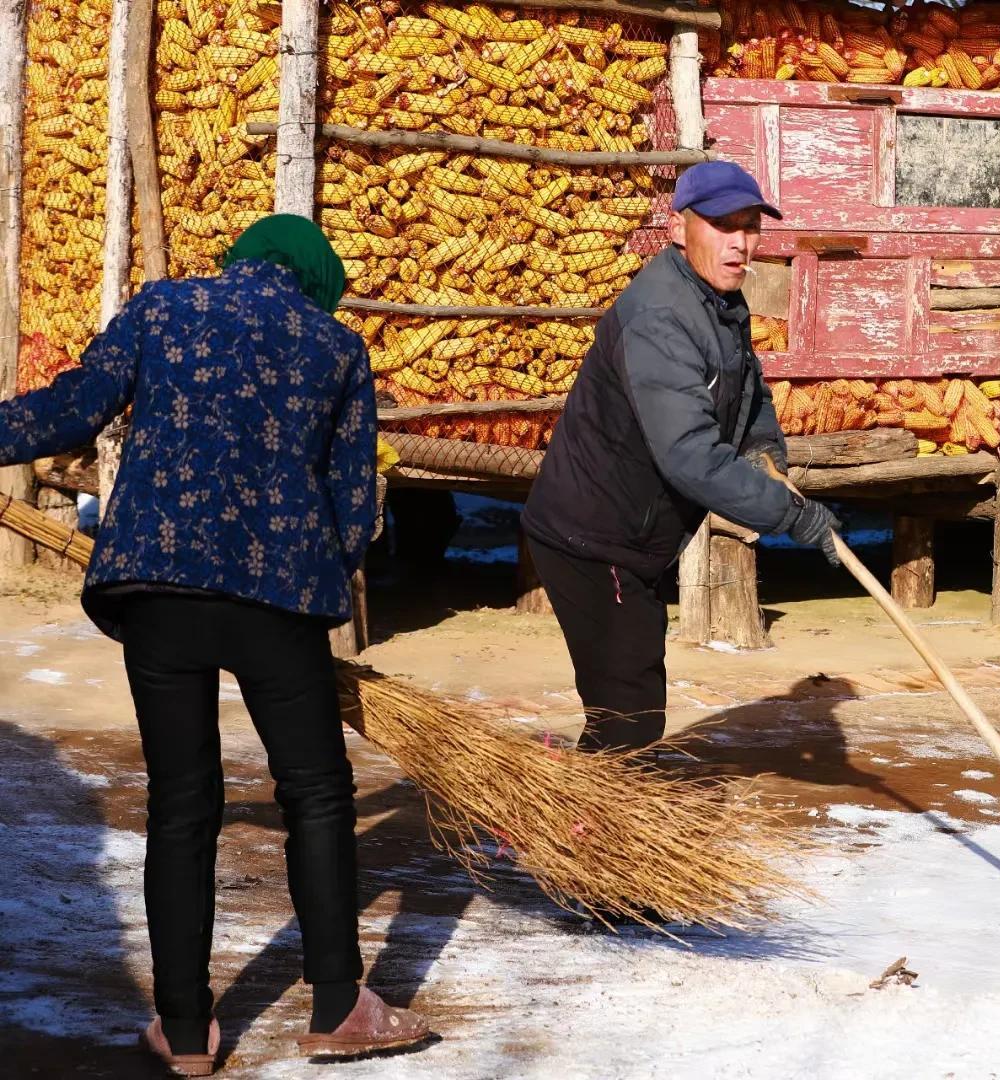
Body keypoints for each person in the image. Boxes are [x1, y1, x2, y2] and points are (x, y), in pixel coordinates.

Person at [0, 215, 431, 1074]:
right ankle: (339, 1006)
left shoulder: (161, 309)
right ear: (312, 282)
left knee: (181, 801)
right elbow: (355, 510)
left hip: (156, 586)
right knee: (315, 792)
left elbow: (74, 407)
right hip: (277, 595)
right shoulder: (335, 346)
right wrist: (319, 584)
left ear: (242, 263)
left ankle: (187, 1033)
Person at [522, 161, 840, 752]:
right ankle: (591, 827)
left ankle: (590, 813)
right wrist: (790, 515)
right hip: (591, 538)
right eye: (723, 225)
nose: (740, 243)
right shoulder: (661, 316)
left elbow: (748, 388)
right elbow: (689, 455)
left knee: (630, 701)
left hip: (632, 536)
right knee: (630, 714)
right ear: (678, 226)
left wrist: (765, 448)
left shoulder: (718, 301)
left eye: (750, 227)